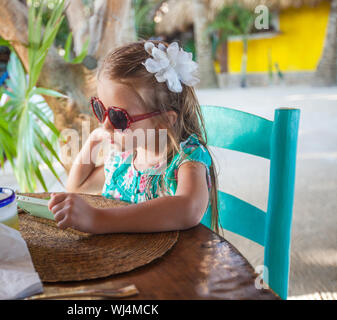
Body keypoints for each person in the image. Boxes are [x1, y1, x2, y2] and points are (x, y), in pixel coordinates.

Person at [48, 40, 219, 234]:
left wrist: (98, 219)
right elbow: (77, 187)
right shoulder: (125, 161)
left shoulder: (187, 159)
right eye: (100, 109)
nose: (105, 124)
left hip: (178, 262)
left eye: (118, 117)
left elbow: (187, 208)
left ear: (163, 120)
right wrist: (94, 139)